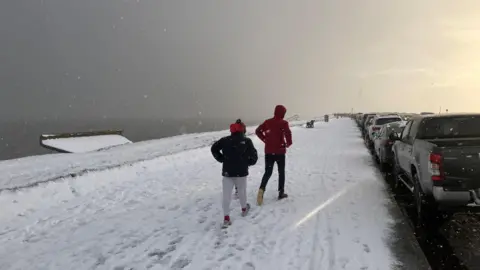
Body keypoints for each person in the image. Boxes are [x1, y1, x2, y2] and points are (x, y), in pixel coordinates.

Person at [211, 122, 258, 228]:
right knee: (242, 191)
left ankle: (226, 217)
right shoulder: (247, 141)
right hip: (241, 172)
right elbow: (254, 156)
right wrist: (247, 162)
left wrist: (221, 159)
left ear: (231, 130)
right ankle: (244, 209)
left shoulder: (224, 140)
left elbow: (214, 148)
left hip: (228, 172)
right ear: (242, 130)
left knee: (226, 195)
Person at [255, 105, 292, 205]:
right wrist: (287, 144)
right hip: (280, 152)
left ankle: (261, 190)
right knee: (281, 172)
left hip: (269, 152)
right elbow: (288, 134)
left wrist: (265, 140)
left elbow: (257, 131)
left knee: (268, 172)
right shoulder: (284, 123)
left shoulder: (267, 122)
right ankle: (281, 192)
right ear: (283, 113)